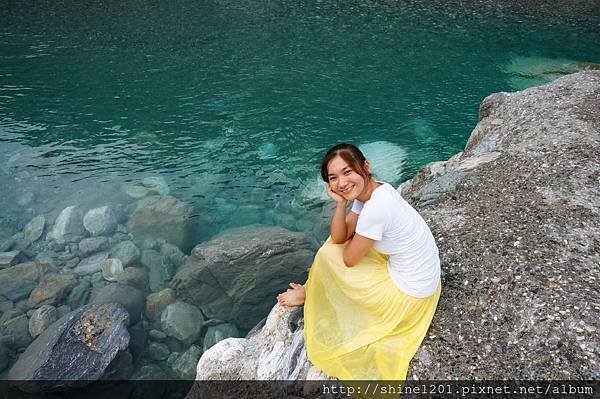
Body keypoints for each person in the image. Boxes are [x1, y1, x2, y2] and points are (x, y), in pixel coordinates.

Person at [276, 143, 441, 381]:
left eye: (347, 172)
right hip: (423, 281)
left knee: (327, 255)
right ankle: (311, 289)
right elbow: (340, 236)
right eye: (333, 178)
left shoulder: (377, 209)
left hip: (409, 295)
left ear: (365, 166)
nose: (341, 183)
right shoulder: (377, 189)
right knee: (332, 247)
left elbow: (348, 259)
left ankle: (309, 294)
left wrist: (342, 219)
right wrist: (341, 204)